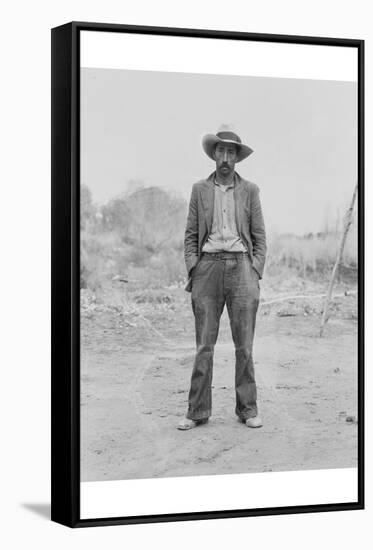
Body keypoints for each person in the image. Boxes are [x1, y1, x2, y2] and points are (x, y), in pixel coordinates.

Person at [177, 128, 266, 430]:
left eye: (231, 153)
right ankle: (197, 412)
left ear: (237, 158)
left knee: (245, 346)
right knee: (204, 345)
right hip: (208, 269)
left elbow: (260, 237)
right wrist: (194, 268)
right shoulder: (199, 190)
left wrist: (254, 272)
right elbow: (190, 235)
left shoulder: (250, 190)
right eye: (221, 152)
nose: (226, 158)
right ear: (214, 154)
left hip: (242, 269)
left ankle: (248, 409)